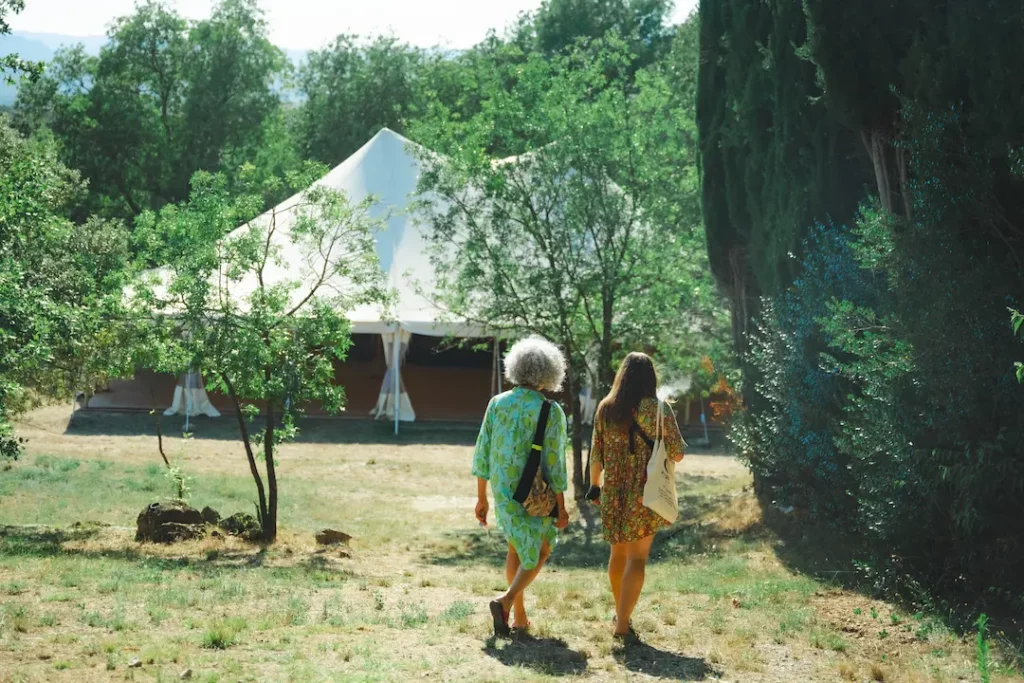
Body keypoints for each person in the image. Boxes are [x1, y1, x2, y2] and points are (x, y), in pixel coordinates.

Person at [473, 336, 570, 638]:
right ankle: (506, 600)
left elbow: (483, 450)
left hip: (502, 490)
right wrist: (562, 507)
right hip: (535, 492)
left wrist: (481, 498)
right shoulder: (550, 410)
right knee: (540, 549)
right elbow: (555, 463)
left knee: (516, 545)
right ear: (549, 372)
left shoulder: (496, 403)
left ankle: (520, 618)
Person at [586, 352, 685, 642]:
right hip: (646, 494)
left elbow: (597, 452)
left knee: (618, 554)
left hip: (614, 492)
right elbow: (678, 453)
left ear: (622, 376)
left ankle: (620, 614)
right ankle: (623, 622)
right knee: (638, 560)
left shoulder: (606, 408)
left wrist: (594, 486)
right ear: (651, 378)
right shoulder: (659, 410)